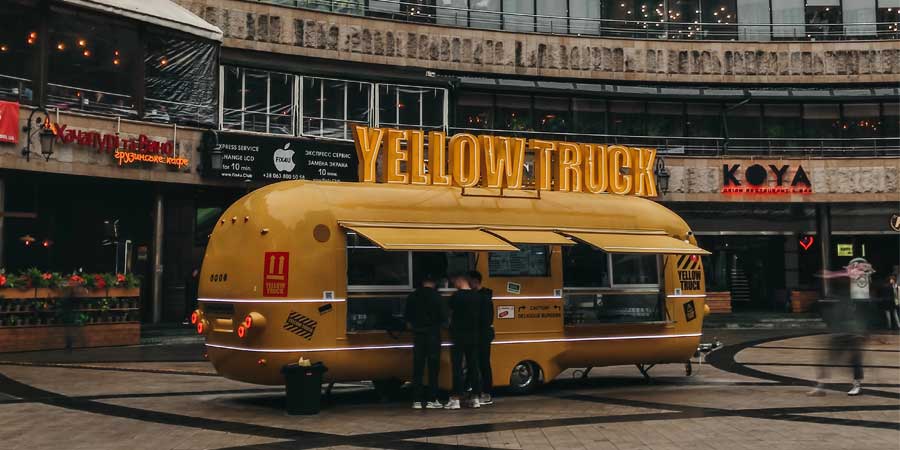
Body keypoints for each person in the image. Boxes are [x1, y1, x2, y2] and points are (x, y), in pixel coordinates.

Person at [807, 296, 868, 397]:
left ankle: (857, 386)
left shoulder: (852, 299)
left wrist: (861, 332)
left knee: (855, 359)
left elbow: (859, 318)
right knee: (827, 359)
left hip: (853, 333)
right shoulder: (836, 298)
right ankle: (820, 386)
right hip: (839, 333)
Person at [404, 275, 445, 410]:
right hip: (433, 335)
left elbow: (407, 319)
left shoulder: (413, 296)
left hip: (418, 336)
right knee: (433, 369)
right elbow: (444, 318)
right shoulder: (438, 297)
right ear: (434, 282)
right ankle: (432, 399)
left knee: (418, 368)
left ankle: (416, 400)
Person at [446, 274, 482, 409]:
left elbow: (449, 313)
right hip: (473, 335)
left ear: (461, 280)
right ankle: (476, 397)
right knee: (473, 365)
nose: (453, 283)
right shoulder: (477, 296)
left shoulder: (456, 297)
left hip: (458, 336)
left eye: (454, 280)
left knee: (457, 367)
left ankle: (456, 398)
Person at [469, 270, 494, 406]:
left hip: (482, 334)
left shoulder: (483, 297)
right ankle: (480, 391)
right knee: (480, 363)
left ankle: (486, 392)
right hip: (483, 334)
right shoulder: (486, 295)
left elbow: (487, 318)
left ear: (474, 281)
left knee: (483, 363)